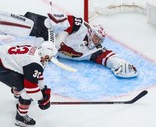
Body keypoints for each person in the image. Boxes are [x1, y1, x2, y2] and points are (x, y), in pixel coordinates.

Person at [1, 11, 138, 78]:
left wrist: (120, 63)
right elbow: (65, 20)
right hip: (49, 34)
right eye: (95, 37)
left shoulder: (94, 50)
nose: (96, 42)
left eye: (99, 40)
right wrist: (55, 26)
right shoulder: (81, 26)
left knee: (29, 67)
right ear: (91, 32)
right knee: (29, 25)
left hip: (46, 51)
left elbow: (108, 57)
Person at [0, 41, 58, 127]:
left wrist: (42, 90)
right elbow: (31, 89)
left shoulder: (37, 52)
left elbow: (37, 74)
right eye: (50, 57)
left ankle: (17, 91)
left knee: (24, 74)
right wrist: (42, 99)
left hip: (4, 56)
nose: (50, 59)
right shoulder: (35, 62)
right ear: (46, 55)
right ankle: (20, 118)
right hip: (2, 66)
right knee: (26, 93)